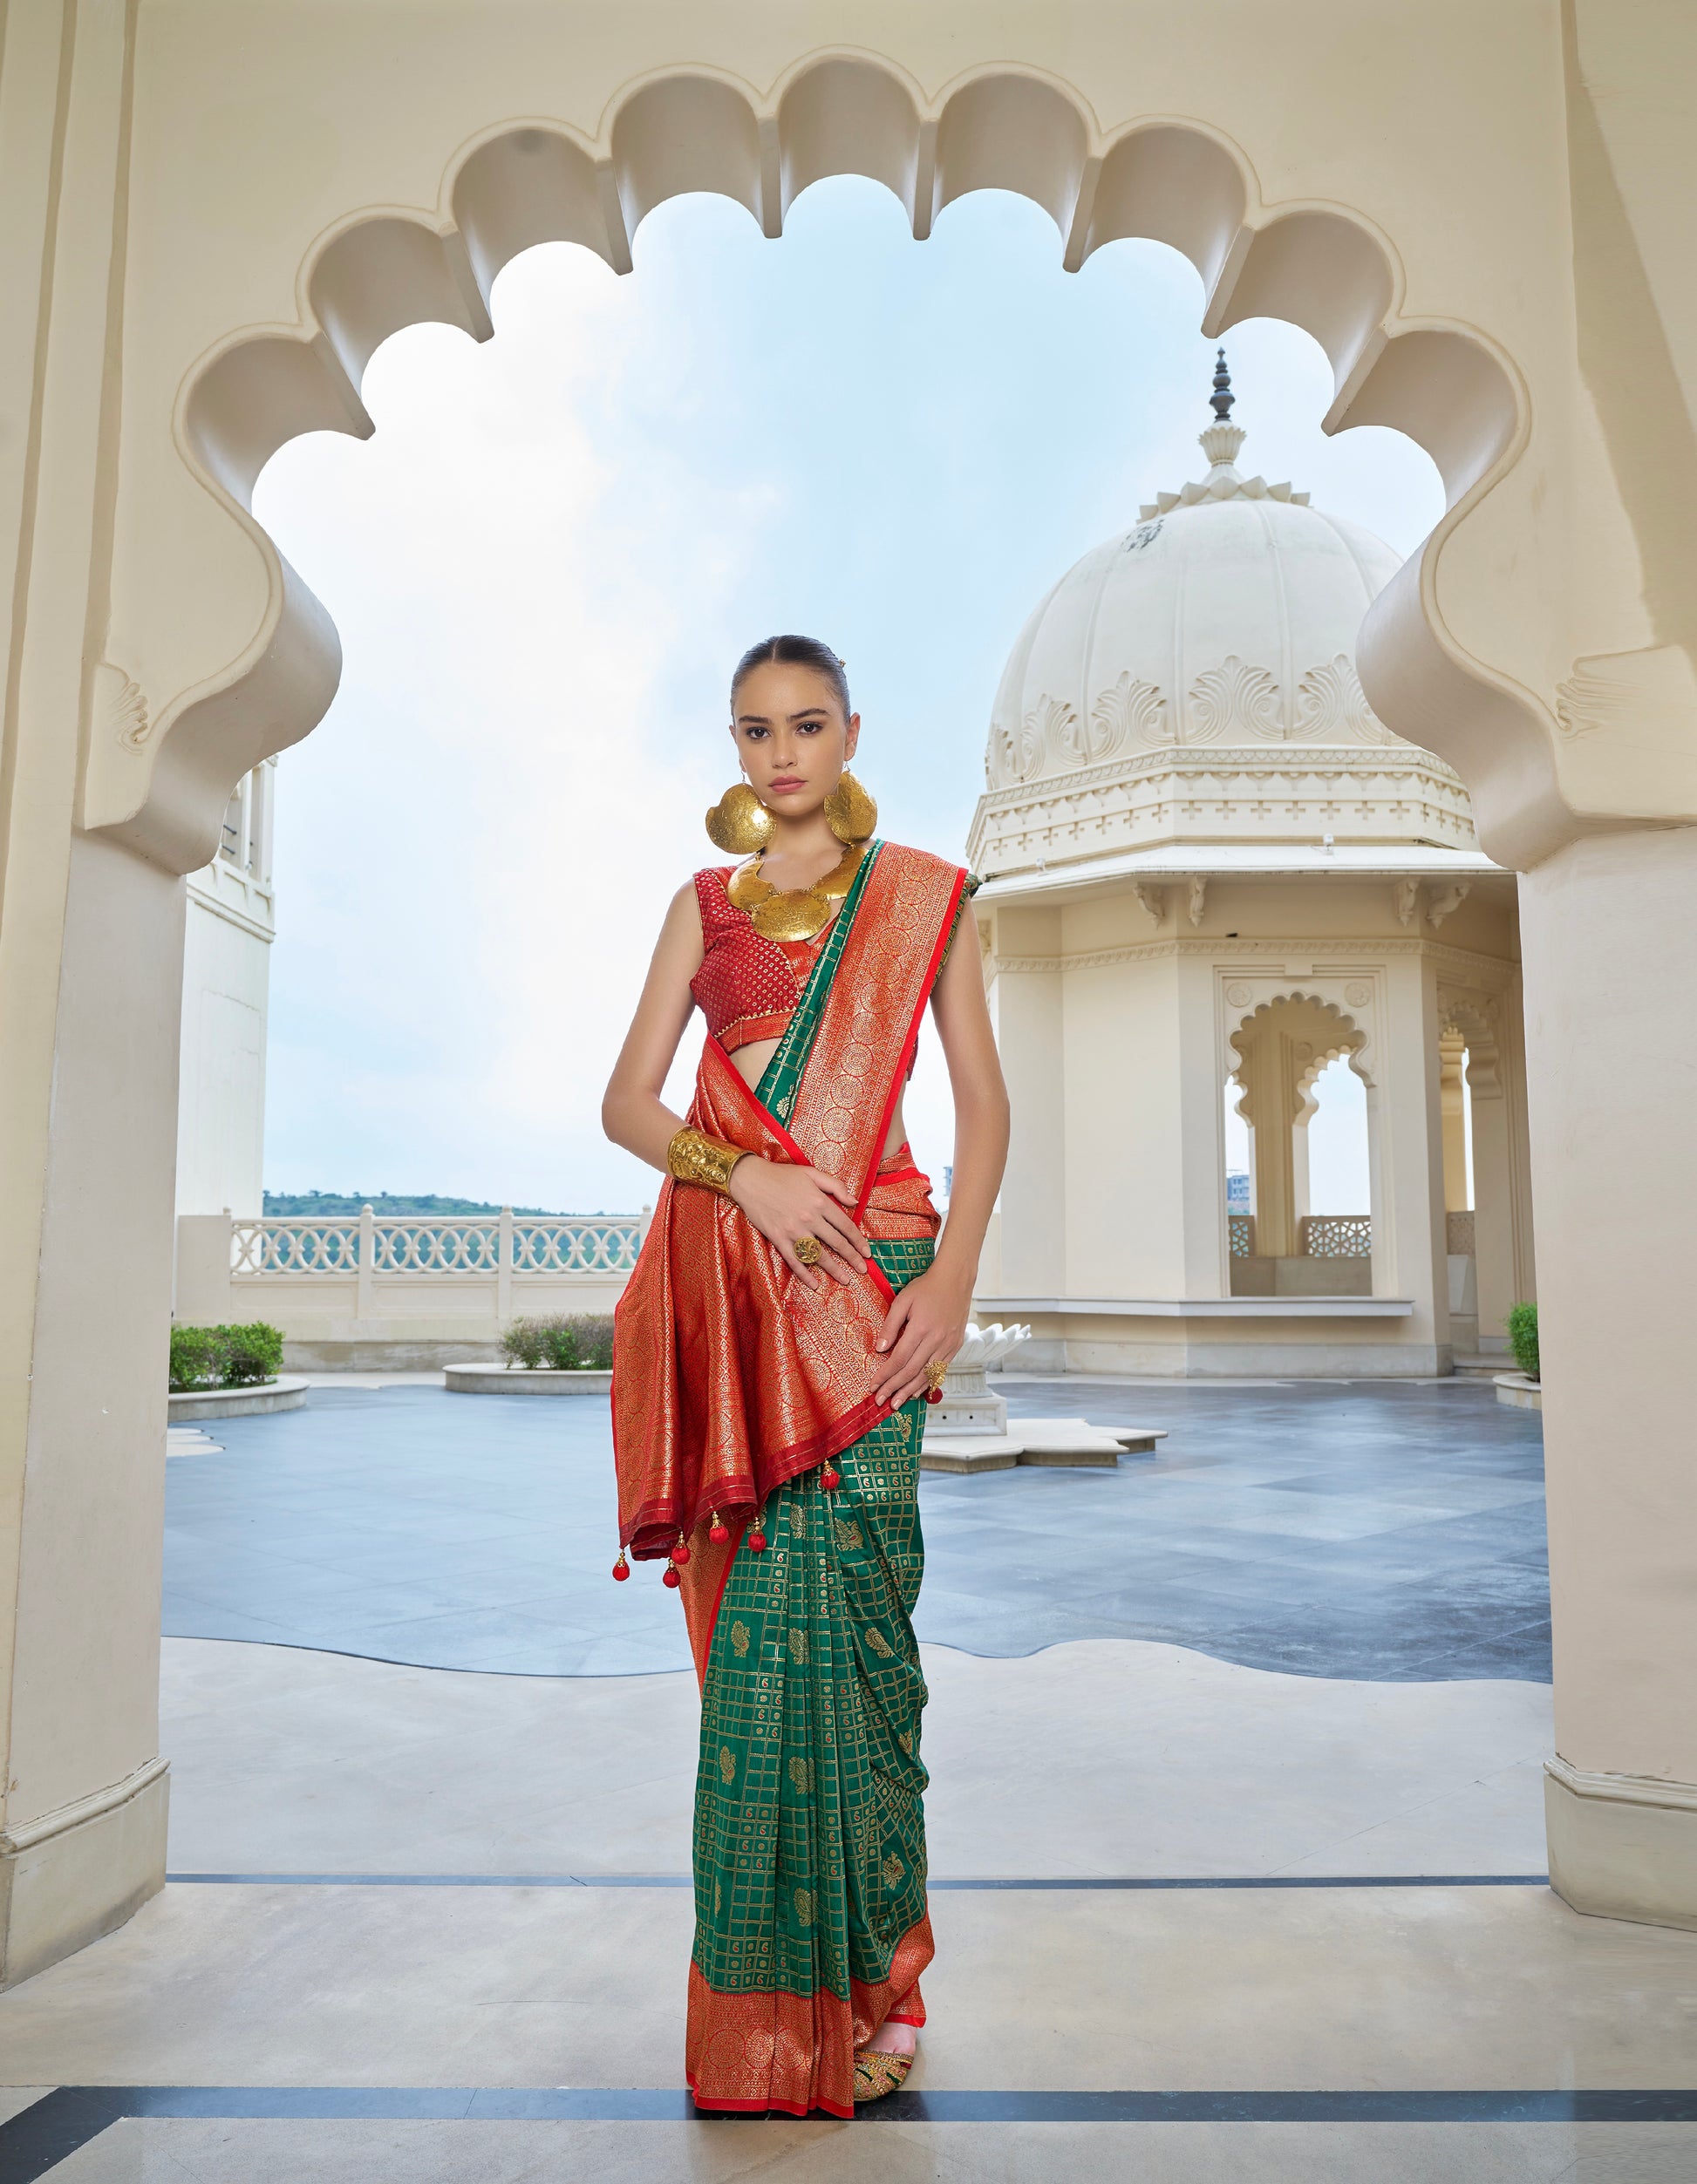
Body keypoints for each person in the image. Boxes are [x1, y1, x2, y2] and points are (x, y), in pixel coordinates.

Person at [602, 634, 1010, 2116]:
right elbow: (626, 1104)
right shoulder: (702, 906)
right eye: (755, 729)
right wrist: (748, 1179)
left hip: (872, 1298)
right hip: (736, 1298)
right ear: (735, 743)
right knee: (756, 1674)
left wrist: (951, 1284)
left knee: (868, 1655)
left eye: (806, 725)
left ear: (849, 732)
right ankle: (765, 2023)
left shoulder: (924, 899)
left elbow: (983, 1106)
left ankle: (882, 1993)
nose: (781, 753)